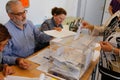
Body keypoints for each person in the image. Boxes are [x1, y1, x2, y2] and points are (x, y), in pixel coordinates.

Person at [3, 0, 52, 64]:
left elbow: (40, 37)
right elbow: (4, 57)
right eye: (20, 14)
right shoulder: (5, 31)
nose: (24, 16)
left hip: (33, 57)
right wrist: (17, 60)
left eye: (24, 12)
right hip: (17, 64)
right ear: (10, 15)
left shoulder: (29, 23)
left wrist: (52, 33)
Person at [82, 10, 120, 79]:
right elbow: (105, 29)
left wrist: (113, 49)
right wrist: (91, 27)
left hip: (117, 73)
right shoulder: (117, 13)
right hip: (105, 67)